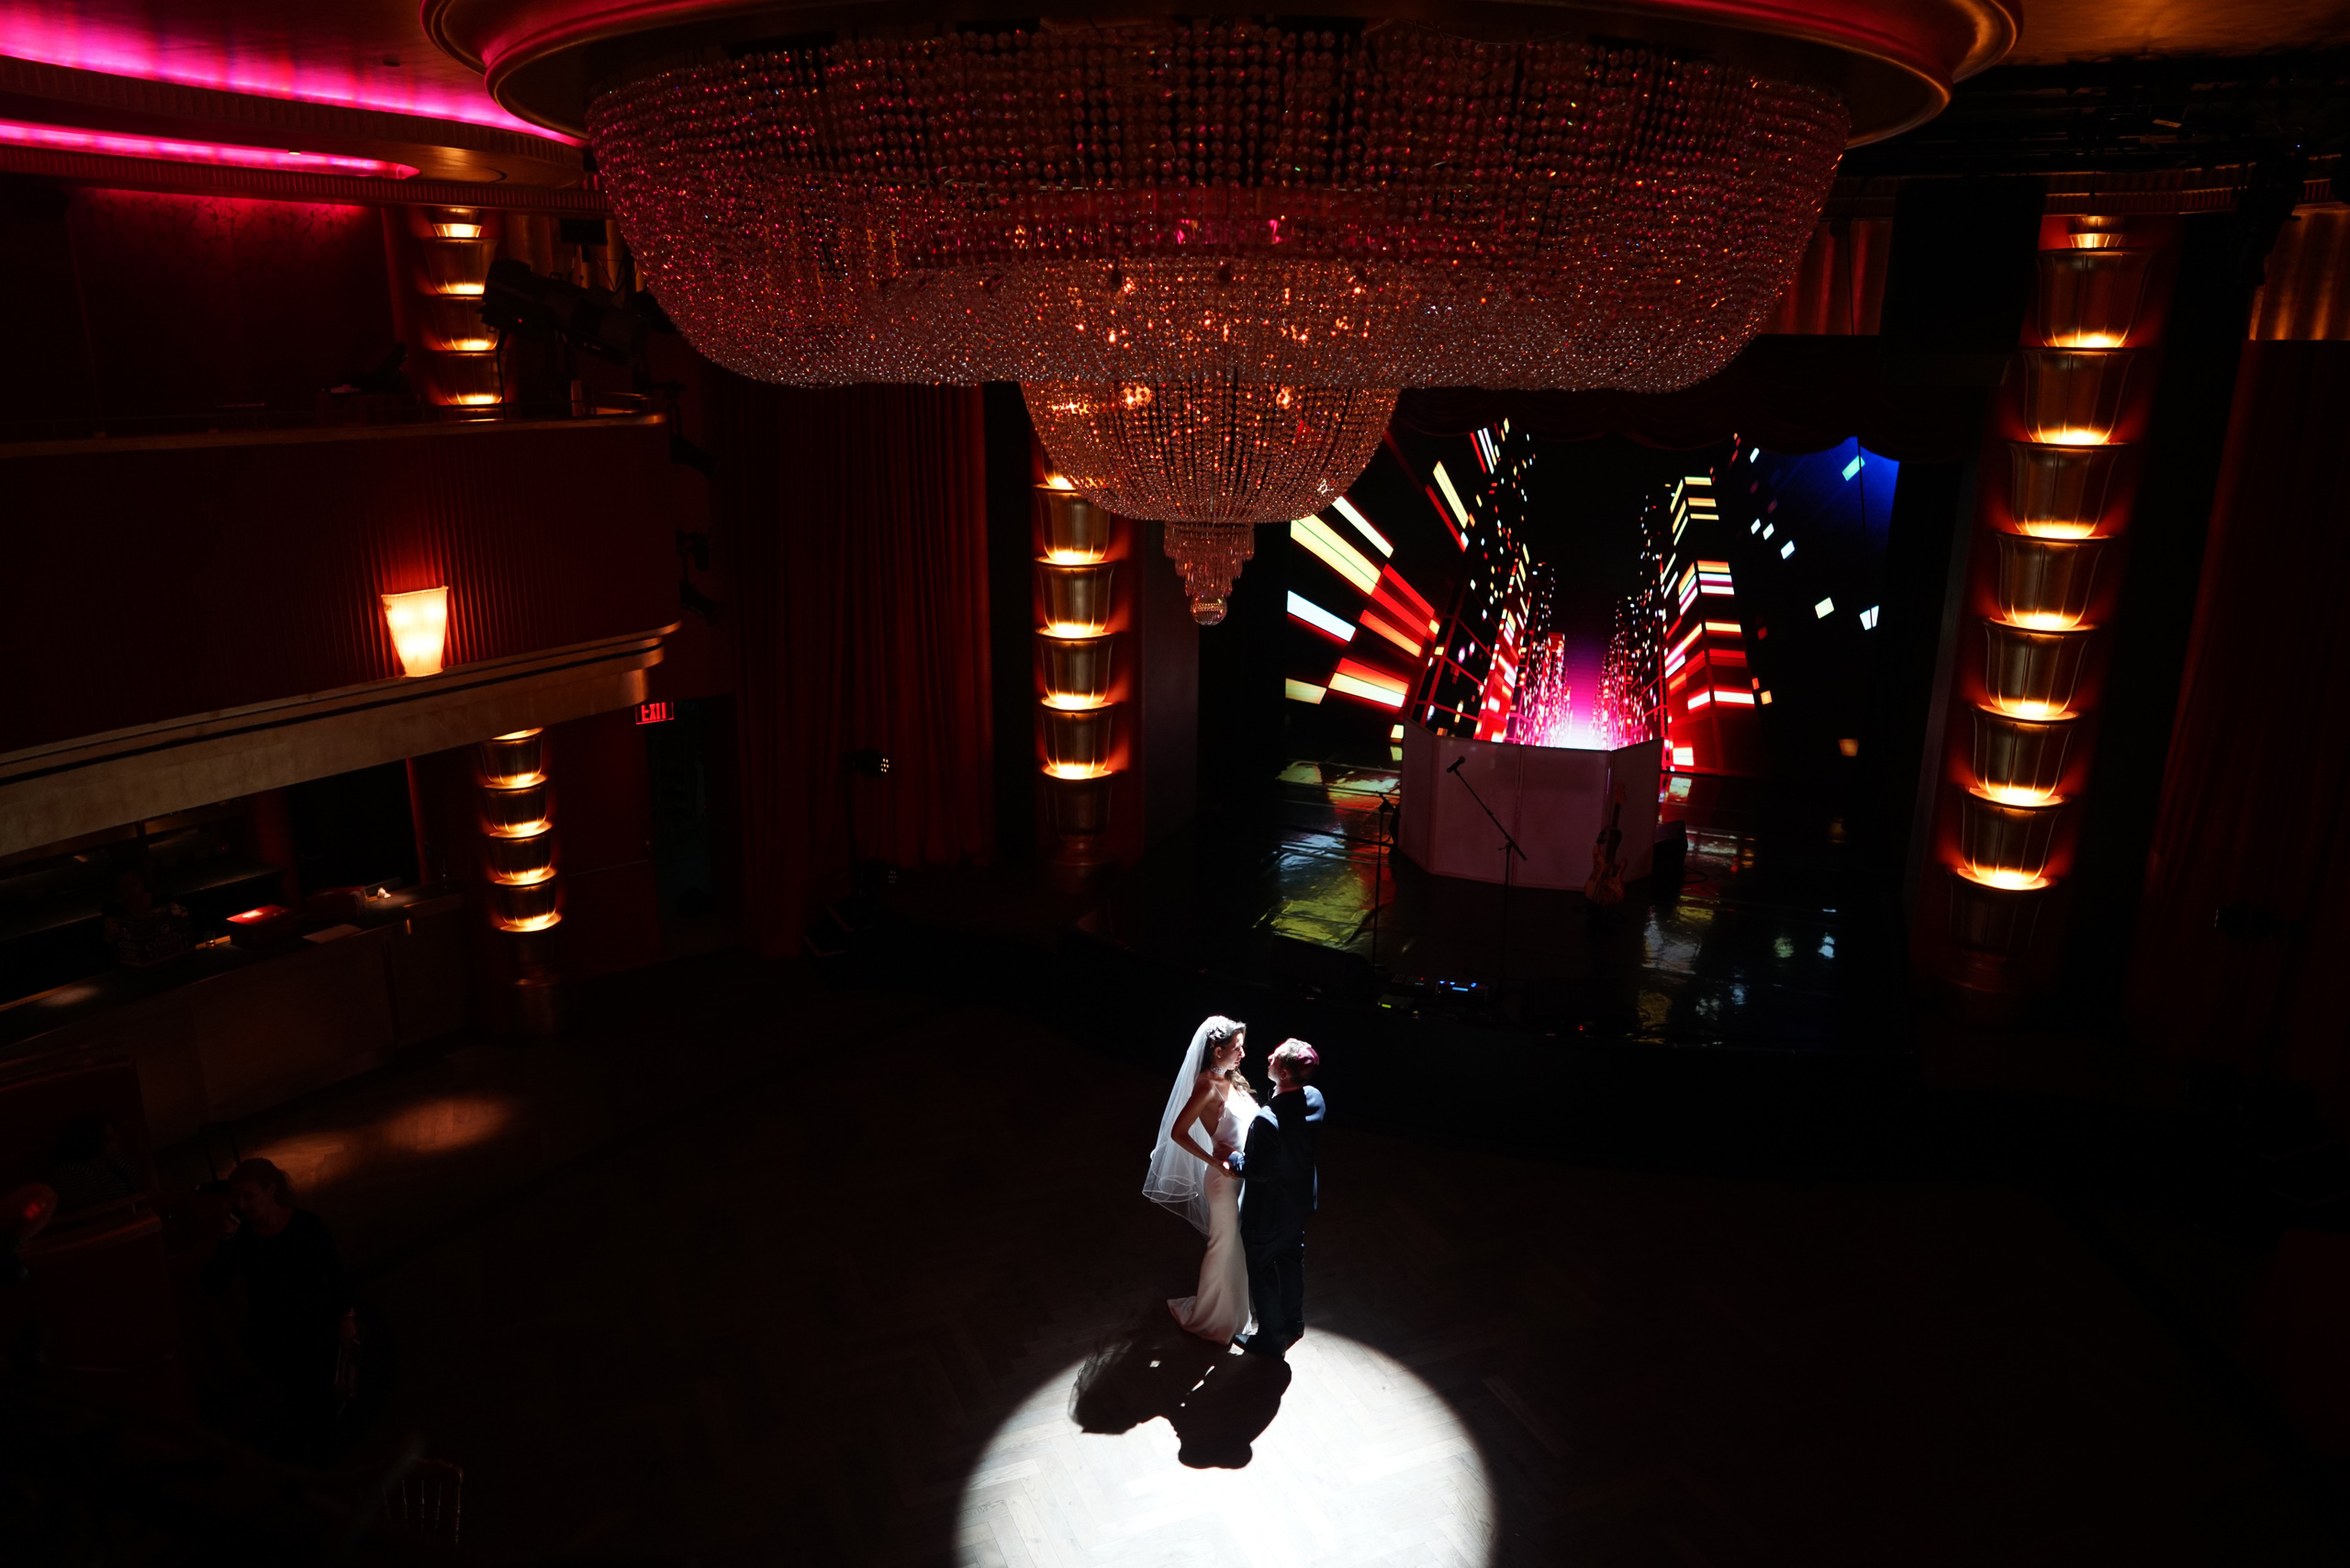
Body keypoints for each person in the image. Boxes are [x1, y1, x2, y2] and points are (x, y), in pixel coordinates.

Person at [201, 1159, 353, 1461]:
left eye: (248, 1196)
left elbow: (336, 1275)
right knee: (294, 1399)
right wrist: (228, 1235)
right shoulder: (242, 1236)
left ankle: (328, 1452)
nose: (241, 1205)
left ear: (271, 1191)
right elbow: (213, 1284)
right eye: (236, 1198)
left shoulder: (307, 1227)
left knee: (322, 1396)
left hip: (315, 1328)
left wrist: (346, 1317)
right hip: (272, 1334)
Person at [1142, 1015, 1257, 1345]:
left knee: (1235, 1248)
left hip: (1241, 1177)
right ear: (1216, 1050)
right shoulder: (1207, 1086)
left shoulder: (1231, 1079)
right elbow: (1178, 1133)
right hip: (1223, 1182)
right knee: (1223, 1247)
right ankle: (1208, 1318)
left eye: (1242, 1047)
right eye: (1235, 1048)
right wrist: (1215, 1162)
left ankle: (1235, 1315)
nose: (1242, 1053)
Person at [1226, 1038, 1324, 1359]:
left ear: (1282, 1072)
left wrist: (1234, 1157)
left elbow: (1255, 1170)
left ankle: (1270, 1338)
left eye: (1275, 1055)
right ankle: (1293, 1323)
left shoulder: (1268, 1120)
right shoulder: (1315, 1099)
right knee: (1292, 1261)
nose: (1268, 1055)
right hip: (1297, 1204)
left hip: (1266, 1212)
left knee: (1263, 1270)